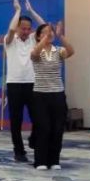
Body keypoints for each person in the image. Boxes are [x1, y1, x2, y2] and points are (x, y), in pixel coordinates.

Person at [4, 0, 45, 162]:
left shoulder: (33, 40)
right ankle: (19, 151)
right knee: (16, 120)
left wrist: (32, 11)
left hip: (32, 83)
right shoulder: (9, 41)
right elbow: (11, 29)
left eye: (28, 29)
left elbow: (45, 28)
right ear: (18, 28)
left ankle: (33, 139)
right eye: (23, 28)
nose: (26, 31)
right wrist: (18, 11)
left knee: (38, 117)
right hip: (14, 84)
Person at [30, 22, 74, 170]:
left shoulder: (58, 50)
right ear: (38, 36)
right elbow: (34, 54)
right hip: (40, 95)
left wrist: (60, 36)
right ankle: (40, 161)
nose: (49, 34)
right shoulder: (36, 50)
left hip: (57, 94)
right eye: (44, 32)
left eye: (50, 32)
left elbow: (71, 51)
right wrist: (45, 39)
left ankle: (54, 160)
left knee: (57, 128)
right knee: (43, 128)